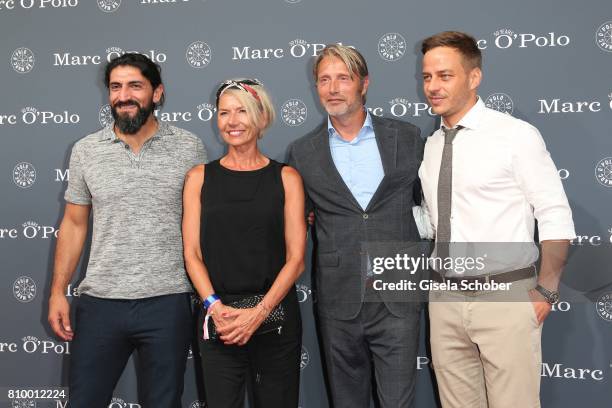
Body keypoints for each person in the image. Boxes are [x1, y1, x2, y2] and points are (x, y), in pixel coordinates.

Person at [418, 31, 576, 408]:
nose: (433, 87)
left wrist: (547, 291)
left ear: (474, 78)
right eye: (427, 77)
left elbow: (554, 215)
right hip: (444, 298)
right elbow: (434, 220)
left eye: (445, 75)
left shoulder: (515, 136)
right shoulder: (433, 142)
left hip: (505, 297)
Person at [47, 53, 206, 408]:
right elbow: (74, 223)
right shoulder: (86, 150)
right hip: (100, 303)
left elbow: (210, 216)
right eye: (116, 87)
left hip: (168, 301)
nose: (124, 95)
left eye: (135, 85)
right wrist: (58, 291)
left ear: (157, 93)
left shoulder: (189, 147)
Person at [288, 44, 424, 408]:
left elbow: (432, 205)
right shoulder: (303, 152)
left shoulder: (408, 137)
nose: (333, 89)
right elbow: (299, 219)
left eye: (343, 78)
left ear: (364, 83)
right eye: (324, 80)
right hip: (338, 296)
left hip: (398, 294)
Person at [182, 78, 306, 408]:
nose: (232, 121)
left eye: (242, 111)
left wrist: (259, 313)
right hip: (219, 318)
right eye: (224, 113)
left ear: (262, 117)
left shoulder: (287, 178)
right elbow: (192, 253)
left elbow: (296, 259)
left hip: (275, 315)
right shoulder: (198, 178)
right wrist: (214, 306)